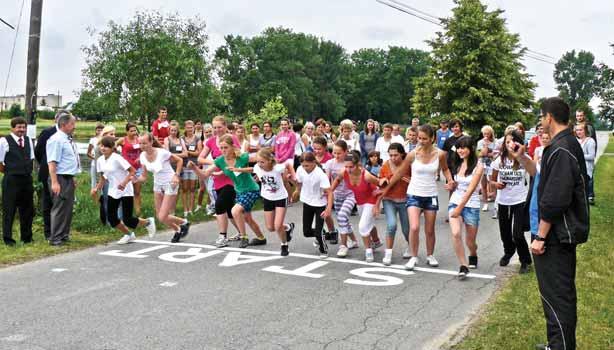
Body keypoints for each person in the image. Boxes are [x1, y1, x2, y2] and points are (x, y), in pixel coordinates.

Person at [513, 97, 589, 350]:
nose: (540, 122)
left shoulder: (561, 148)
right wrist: (522, 157)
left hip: (555, 238)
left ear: (549, 118)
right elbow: (542, 176)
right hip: (553, 235)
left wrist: (541, 237)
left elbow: (556, 199)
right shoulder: (560, 145)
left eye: (541, 117)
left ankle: (561, 347)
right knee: (555, 297)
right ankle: (556, 344)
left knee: (558, 298)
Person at [385, 124, 455, 270]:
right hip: (414, 194)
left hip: (431, 195)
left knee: (429, 230)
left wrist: (450, 180)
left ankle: (430, 255)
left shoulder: (440, 154)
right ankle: (413, 257)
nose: (421, 141)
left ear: (432, 138)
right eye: (419, 138)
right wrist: (385, 189)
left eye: (424, 139)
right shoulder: (412, 154)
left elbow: (445, 169)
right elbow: (399, 173)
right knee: (415, 227)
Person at [193, 135, 267, 248]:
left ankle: (244, 237)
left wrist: (260, 172)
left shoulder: (242, 157)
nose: (223, 150)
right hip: (239, 191)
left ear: (232, 147)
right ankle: (261, 238)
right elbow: (204, 175)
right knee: (247, 218)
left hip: (251, 189)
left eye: (225, 147)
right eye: (221, 148)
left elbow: (262, 160)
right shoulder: (220, 161)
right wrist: (194, 168)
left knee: (235, 211)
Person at [91, 136, 156, 244]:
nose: (103, 148)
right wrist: (96, 188)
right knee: (112, 219)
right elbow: (103, 177)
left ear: (112, 148)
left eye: (106, 146)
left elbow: (133, 171)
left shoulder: (117, 158)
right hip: (113, 191)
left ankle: (148, 222)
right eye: (102, 146)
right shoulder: (100, 160)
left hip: (126, 190)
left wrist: (124, 183)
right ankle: (129, 235)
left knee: (128, 219)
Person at [325, 150, 382, 262]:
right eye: (346, 166)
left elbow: (381, 187)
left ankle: (368, 251)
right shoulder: (344, 172)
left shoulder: (366, 175)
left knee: (362, 226)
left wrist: (377, 205)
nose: (348, 169)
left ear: (358, 165)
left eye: (351, 167)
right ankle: (376, 241)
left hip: (371, 201)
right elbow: (337, 179)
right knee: (368, 224)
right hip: (360, 202)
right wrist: (331, 189)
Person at [490, 129, 532, 274]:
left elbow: (534, 173)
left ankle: (525, 260)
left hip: (519, 200)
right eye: (507, 142)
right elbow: (492, 180)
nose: (509, 144)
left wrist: (521, 156)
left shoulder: (523, 158)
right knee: (505, 233)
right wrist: (495, 185)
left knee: (518, 234)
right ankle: (509, 251)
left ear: (518, 143)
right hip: (503, 201)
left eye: (512, 141)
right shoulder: (499, 160)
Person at [136, 132, 189, 243]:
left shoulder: (162, 153)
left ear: (151, 142)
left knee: (162, 216)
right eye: (140, 143)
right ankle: (178, 229)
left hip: (171, 183)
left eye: (144, 143)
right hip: (157, 185)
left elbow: (179, 161)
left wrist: (176, 175)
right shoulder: (142, 156)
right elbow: (144, 177)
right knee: (160, 216)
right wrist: (132, 180)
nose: (142, 146)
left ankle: (183, 222)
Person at [198, 116, 242, 246]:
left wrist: (223, 168)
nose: (217, 130)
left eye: (219, 127)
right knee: (229, 210)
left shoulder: (232, 138)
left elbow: (239, 157)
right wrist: (214, 162)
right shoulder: (211, 141)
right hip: (217, 179)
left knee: (219, 205)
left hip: (231, 179)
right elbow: (200, 158)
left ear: (225, 126)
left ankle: (222, 236)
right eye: (214, 127)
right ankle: (242, 233)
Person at [446, 136, 484, 279]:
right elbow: (458, 185)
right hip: (455, 201)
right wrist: (451, 185)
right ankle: (463, 265)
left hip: (471, 205)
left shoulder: (478, 166)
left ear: (471, 149)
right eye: (459, 147)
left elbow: (470, 190)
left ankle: (473, 254)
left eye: (463, 148)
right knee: (456, 233)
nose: (460, 150)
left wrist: (459, 209)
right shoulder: (457, 163)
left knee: (470, 241)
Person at [253, 147, 296, 256]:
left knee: (277, 226)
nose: (259, 164)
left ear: (269, 161)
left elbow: (288, 164)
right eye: (258, 161)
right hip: (267, 198)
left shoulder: (277, 168)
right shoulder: (257, 168)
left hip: (281, 197)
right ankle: (288, 227)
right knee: (271, 228)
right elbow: (256, 173)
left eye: (262, 162)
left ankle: (284, 245)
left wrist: (293, 176)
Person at [46, 112, 81, 246]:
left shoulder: (67, 138)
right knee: (59, 208)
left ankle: (64, 234)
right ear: (63, 124)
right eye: (72, 124)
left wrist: (72, 177)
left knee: (68, 207)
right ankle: (55, 238)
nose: (74, 126)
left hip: (68, 177)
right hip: (59, 177)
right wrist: (55, 182)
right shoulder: (56, 139)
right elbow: (52, 162)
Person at [0, 117, 35, 246]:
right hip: (11, 180)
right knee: (9, 210)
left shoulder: (28, 140)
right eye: (19, 127)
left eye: (24, 127)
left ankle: (27, 237)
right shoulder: (4, 141)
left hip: (26, 179)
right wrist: (11, 171)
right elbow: (0, 162)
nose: (22, 130)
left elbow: (31, 159)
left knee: (27, 209)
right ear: (12, 128)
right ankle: (8, 239)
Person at [323, 140, 361, 256]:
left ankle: (343, 245)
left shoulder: (350, 163)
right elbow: (326, 179)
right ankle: (354, 241)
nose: (336, 155)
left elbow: (359, 176)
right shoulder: (330, 163)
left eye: (339, 153)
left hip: (350, 194)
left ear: (346, 152)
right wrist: (326, 193)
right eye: (334, 152)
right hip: (337, 195)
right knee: (343, 219)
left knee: (342, 216)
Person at [292, 152, 331, 257]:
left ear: (314, 162)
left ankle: (323, 250)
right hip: (307, 202)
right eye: (303, 165)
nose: (305, 168)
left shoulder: (320, 174)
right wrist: (296, 189)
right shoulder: (300, 169)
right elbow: (299, 183)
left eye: (307, 165)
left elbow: (329, 192)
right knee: (307, 232)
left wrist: (328, 209)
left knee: (318, 233)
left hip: (319, 204)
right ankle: (324, 234)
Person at [377, 143, 410, 265]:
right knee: (391, 225)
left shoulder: (408, 165)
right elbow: (379, 181)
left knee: (407, 229)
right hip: (389, 199)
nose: (393, 158)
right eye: (390, 155)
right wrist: (383, 180)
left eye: (396, 155)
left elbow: (414, 181)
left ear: (402, 154)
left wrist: (405, 178)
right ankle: (388, 253)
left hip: (405, 200)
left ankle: (410, 245)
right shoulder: (385, 165)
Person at [34, 111, 60, 240]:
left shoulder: (68, 134)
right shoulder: (47, 132)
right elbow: (38, 152)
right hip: (47, 172)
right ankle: (48, 232)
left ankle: (59, 230)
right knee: (48, 202)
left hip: (62, 173)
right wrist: (45, 165)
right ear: (56, 119)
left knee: (60, 202)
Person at [528, 132, 550, 241]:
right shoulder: (538, 150)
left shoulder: (552, 150)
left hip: (547, 178)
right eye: (543, 137)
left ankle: (543, 232)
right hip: (538, 176)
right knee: (534, 204)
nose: (545, 139)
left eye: (547, 138)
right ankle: (535, 231)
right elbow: (534, 164)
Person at [117, 122, 143, 215]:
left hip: (138, 169)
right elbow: (113, 147)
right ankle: (125, 213)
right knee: (126, 193)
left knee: (137, 192)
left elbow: (143, 151)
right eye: (131, 131)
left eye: (135, 130)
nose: (134, 132)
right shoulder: (122, 140)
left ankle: (138, 212)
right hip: (126, 171)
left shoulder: (139, 140)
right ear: (127, 132)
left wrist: (140, 158)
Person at [164, 121, 188, 216]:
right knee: (170, 189)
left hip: (179, 167)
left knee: (177, 189)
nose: (173, 132)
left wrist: (174, 156)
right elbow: (167, 154)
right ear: (169, 130)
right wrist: (178, 156)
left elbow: (185, 154)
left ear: (177, 131)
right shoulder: (167, 139)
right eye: (171, 130)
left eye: (175, 130)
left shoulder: (180, 140)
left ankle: (172, 210)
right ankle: (169, 210)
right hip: (170, 168)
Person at [181, 120, 202, 216]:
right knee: (185, 188)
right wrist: (186, 153)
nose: (189, 129)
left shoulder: (197, 139)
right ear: (185, 128)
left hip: (194, 166)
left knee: (193, 188)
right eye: (188, 127)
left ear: (194, 128)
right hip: (184, 166)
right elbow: (180, 151)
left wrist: (188, 152)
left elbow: (199, 152)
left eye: (191, 127)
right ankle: (185, 210)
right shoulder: (181, 138)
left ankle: (191, 209)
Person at [575, 124, 596, 205]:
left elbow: (591, 156)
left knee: (584, 192)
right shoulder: (576, 140)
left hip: (586, 170)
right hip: (577, 169)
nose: (579, 132)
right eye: (577, 130)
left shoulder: (590, 141)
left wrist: (579, 156)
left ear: (585, 130)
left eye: (581, 130)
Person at [477, 125, 496, 212]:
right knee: (483, 184)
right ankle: (485, 203)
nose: (486, 135)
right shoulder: (480, 142)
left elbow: (495, 154)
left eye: (488, 133)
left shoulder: (495, 142)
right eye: (484, 133)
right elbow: (481, 154)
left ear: (491, 133)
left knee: (492, 183)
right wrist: (485, 145)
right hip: (483, 164)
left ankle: (496, 205)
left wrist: (488, 154)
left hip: (492, 165)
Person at [87, 123, 104, 189]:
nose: (99, 132)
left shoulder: (106, 139)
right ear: (95, 131)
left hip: (104, 164)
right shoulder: (93, 140)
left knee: (104, 182)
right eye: (98, 130)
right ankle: (94, 197)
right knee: (94, 182)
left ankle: (103, 198)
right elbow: (88, 153)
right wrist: (95, 158)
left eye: (101, 130)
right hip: (95, 164)